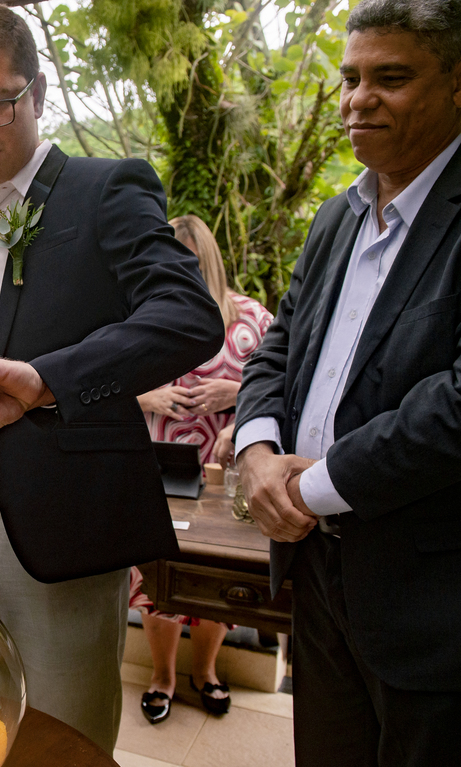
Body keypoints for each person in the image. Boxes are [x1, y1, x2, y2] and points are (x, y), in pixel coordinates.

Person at [0, 3, 224, 753]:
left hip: (61, 519)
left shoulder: (105, 189)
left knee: (62, 749)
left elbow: (188, 315)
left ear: (38, 93)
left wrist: (43, 377)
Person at [234, 0, 461, 767]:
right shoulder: (335, 219)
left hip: (437, 608)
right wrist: (255, 452)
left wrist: (307, 487)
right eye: (350, 78)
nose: (357, 100)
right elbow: (277, 347)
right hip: (316, 580)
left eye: (391, 79)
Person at [130, 215, 274, 723]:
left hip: (222, 473)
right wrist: (152, 395)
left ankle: (206, 671)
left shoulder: (253, 319)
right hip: (158, 470)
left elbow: (284, 384)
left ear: (206, 257)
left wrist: (235, 394)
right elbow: (101, 383)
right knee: (157, 580)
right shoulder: (142, 314)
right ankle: (162, 675)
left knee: (213, 578)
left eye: (188, 257)